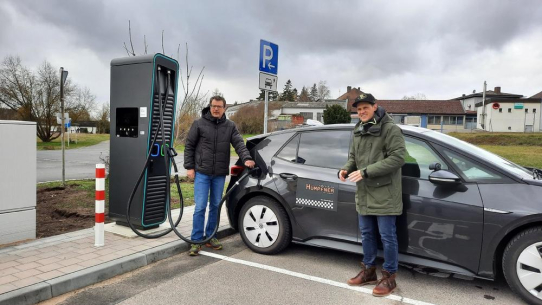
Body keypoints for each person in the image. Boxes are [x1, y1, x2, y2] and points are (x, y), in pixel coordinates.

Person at [338, 93, 405, 297]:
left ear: (375, 106)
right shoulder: (358, 129)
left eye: (365, 107)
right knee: (367, 234)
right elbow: (353, 157)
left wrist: (366, 172)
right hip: (364, 193)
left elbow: (398, 158)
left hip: (385, 193)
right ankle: (369, 272)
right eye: (358, 110)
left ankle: (389, 276)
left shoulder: (390, 128)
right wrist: (346, 169)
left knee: (387, 237)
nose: (361, 112)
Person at [184, 95, 255, 256]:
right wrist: (189, 167)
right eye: (213, 106)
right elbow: (189, 146)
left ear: (224, 108)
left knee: (215, 205)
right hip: (202, 172)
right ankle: (196, 240)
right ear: (210, 106)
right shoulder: (199, 124)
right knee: (200, 206)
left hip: (219, 174)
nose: (216, 109)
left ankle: (211, 237)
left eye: (219, 106)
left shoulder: (230, 126)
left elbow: (239, 144)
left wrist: (247, 158)